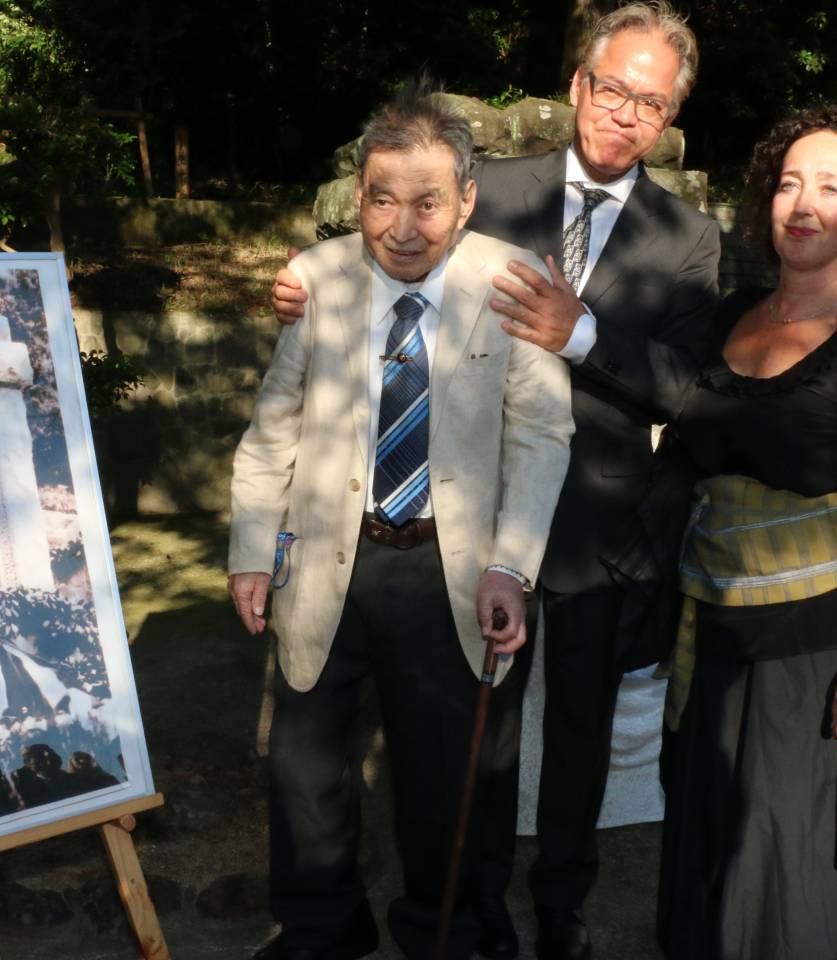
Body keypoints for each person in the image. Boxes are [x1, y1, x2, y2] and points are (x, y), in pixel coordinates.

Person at [272, 6, 718, 957]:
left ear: (673, 112)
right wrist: (303, 279)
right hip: (468, 508)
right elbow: (385, 240)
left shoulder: (688, 238)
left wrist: (583, 334)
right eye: (612, 88)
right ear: (578, 86)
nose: (625, 113)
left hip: (595, 518)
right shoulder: (491, 186)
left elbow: (689, 389)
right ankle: (470, 917)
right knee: (479, 738)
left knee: (580, 736)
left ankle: (563, 905)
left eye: (652, 100)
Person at [229, 85, 575, 960]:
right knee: (305, 771)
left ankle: (450, 931)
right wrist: (250, 555)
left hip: (450, 572)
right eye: (383, 199)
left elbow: (541, 438)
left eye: (428, 202)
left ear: (465, 199)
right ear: (360, 196)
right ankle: (317, 930)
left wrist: (512, 567)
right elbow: (272, 429)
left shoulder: (513, 285)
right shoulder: (318, 280)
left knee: (449, 776)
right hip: (324, 564)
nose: (404, 225)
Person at [598, 104, 837, 959]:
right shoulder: (727, 317)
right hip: (710, 639)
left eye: (831, 186)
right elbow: (655, 403)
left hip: (813, 656)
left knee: (789, 858)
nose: (804, 202)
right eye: (789, 182)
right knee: (710, 838)